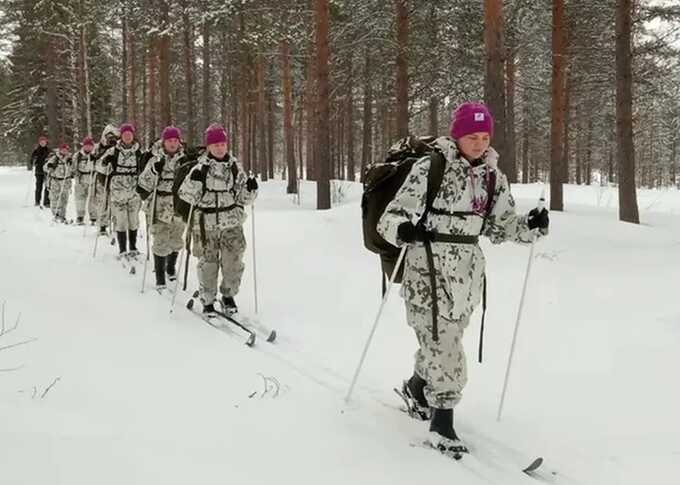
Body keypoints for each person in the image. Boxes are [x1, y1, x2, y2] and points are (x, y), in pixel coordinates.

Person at [377, 102, 549, 456]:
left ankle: (416, 385)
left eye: (484, 136)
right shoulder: (430, 168)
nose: (478, 143)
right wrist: (405, 229)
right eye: (472, 136)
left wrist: (531, 227)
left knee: (444, 340)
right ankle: (442, 420)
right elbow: (389, 218)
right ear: (457, 135)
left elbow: (503, 227)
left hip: (467, 277)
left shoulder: (492, 177)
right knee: (445, 346)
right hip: (426, 271)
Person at [177, 124, 258, 315]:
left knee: (234, 263)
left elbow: (244, 199)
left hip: (232, 224)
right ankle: (207, 300)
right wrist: (193, 182)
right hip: (207, 225)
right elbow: (185, 195)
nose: (220, 148)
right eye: (215, 145)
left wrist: (251, 189)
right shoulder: (200, 169)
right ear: (208, 147)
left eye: (222, 144)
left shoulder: (236, 169)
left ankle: (228, 296)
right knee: (208, 264)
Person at [137, 126, 187, 290]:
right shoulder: (155, 159)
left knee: (176, 238)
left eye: (175, 140)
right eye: (169, 141)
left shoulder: (185, 159)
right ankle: (160, 276)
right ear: (164, 142)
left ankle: (170, 267)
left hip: (178, 204)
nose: (172, 144)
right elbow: (143, 184)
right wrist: (153, 170)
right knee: (160, 240)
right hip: (159, 205)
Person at [99, 123, 144, 257]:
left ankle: (133, 247)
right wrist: (105, 164)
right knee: (121, 221)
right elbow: (99, 167)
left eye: (130, 134)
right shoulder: (113, 151)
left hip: (134, 191)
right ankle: (123, 249)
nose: (128, 137)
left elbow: (145, 170)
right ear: (121, 136)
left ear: (133, 136)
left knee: (133, 220)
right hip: (118, 191)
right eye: (125, 134)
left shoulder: (138, 152)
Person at [93, 124, 120, 235]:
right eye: (109, 136)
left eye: (113, 137)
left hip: (116, 179)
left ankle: (117, 226)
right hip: (102, 178)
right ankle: (103, 225)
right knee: (102, 203)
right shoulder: (99, 147)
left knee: (115, 204)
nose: (111, 139)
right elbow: (96, 162)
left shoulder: (118, 148)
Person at [44, 143, 73, 222]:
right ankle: (56, 214)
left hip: (66, 181)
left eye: (66, 150)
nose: (64, 151)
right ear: (60, 150)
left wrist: (71, 165)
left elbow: (73, 169)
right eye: (62, 149)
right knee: (55, 198)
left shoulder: (70, 158)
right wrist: (50, 166)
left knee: (64, 199)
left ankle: (62, 215)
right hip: (55, 180)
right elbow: (45, 167)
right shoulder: (55, 158)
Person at [72, 136, 97, 225]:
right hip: (81, 179)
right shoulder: (77, 155)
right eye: (86, 145)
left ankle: (94, 217)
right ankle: (80, 216)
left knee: (93, 199)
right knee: (80, 199)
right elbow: (73, 167)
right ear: (83, 146)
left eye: (90, 145)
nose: (88, 147)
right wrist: (75, 173)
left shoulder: (96, 155)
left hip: (92, 178)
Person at [30, 135, 51, 207]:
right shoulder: (36, 151)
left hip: (47, 171)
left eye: (44, 142)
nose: (42, 143)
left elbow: (52, 159)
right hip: (39, 171)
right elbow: (31, 161)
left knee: (47, 187)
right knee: (39, 187)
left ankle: (47, 202)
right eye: (41, 142)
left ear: (46, 142)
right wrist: (34, 160)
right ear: (39, 143)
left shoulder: (49, 150)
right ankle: (37, 201)